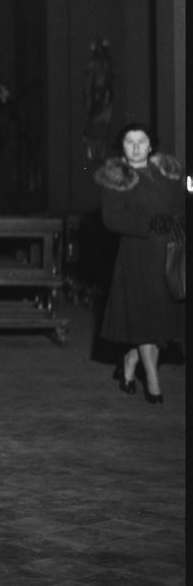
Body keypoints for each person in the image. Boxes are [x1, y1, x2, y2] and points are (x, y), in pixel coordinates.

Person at [95, 123, 184, 404]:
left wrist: (174, 223)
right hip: (136, 256)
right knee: (147, 320)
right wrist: (150, 224)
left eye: (141, 141)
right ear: (122, 147)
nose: (135, 146)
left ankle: (130, 360)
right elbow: (112, 219)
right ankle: (154, 384)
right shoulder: (116, 176)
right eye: (129, 141)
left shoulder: (167, 173)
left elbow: (180, 207)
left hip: (167, 253)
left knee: (159, 323)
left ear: (150, 145)